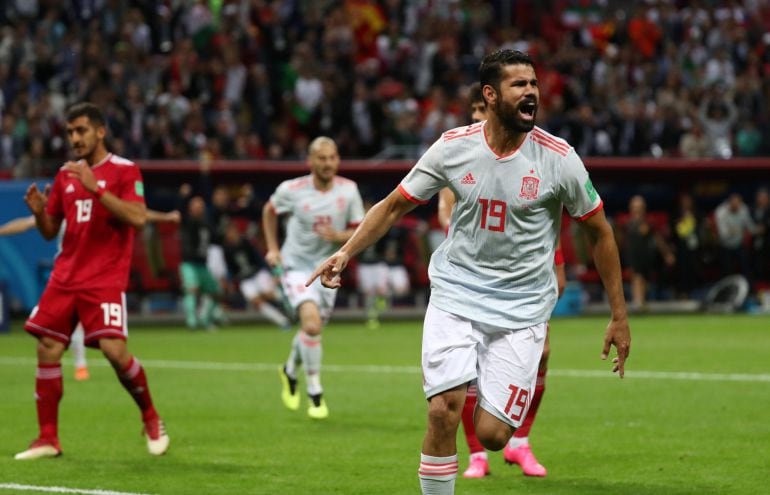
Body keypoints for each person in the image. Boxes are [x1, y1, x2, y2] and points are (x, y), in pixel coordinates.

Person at [307, 50, 631, 494]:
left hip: (522, 310)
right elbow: (395, 205)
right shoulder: (453, 147)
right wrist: (345, 253)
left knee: (495, 436)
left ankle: (476, 376)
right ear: (490, 95)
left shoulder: (559, 159)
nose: (531, 91)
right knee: (442, 409)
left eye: (534, 84)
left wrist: (618, 314)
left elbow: (600, 232)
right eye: (519, 84)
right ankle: (457, 381)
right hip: (456, 296)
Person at [15, 102, 169, 460]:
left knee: (116, 353)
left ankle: (151, 417)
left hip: (104, 278)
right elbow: (50, 230)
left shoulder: (125, 171)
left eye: (81, 130)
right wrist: (39, 213)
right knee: (47, 348)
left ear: (100, 131)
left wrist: (96, 188)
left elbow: (138, 219)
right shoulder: (65, 175)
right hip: (66, 275)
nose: (74, 138)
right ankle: (47, 438)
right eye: (69, 132)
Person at [436, 82, 565, 479]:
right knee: (470, 369)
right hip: (476, 272)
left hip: (529, 265)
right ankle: (477, 453)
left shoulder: (534, 152)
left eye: (481, 109)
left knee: (540, 354)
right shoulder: (460, 154)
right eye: (473, 110)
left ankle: (521, 442)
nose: (478, 116)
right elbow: (447, 216)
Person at [263, 136, 365, 420]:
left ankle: (289, 370)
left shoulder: (349, 190)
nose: (327, 163)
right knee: (311, 323)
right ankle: (315, 393)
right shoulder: (291, 190)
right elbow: (269, 212)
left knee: (312, 329)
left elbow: (359, 229)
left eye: (332, 158)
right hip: (295, 265)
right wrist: (272, 249)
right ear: (310, 161)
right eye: (321, 158)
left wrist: (339, 237)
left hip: (329, 269)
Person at [221, 222, 291, 329]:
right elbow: (230, 268)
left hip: (258, 273)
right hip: (244, 279)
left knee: (269, 293)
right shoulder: (226, 250)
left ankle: (289, 305)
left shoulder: (246, 243)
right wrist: (230, 282)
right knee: (256, 302)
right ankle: (282, 321)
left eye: (232, 232)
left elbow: (258, 258)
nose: (231, 235)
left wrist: (271, 272)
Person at [178, 186, 224, 330]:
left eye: (201, 205)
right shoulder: (187, 222)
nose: (198, 208)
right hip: (189, 263)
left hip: (202, 264)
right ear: (190, 207)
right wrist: (183, 197)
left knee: (216, 292)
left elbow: (217, 236)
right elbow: (180, 211)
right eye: (195, 205)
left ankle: (204, 318)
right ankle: (191, 321)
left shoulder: (207, 223)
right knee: (192, 289)